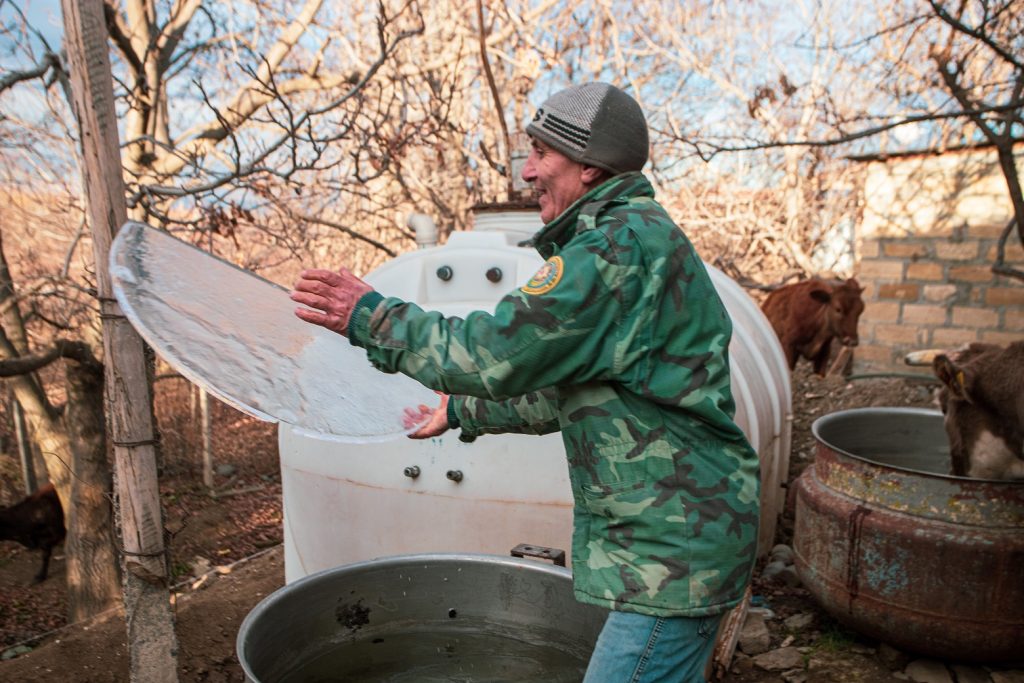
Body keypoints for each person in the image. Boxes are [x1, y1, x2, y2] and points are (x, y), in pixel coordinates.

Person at [290, 82, 761, 683]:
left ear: (589, 166)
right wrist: (461, 412)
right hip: (681, 538)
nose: (528, 172)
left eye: (541, 153)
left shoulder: (613, 253)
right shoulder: (639, 239)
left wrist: (371, 314)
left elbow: (491, 352)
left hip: (673, 552)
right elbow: (566, 389)